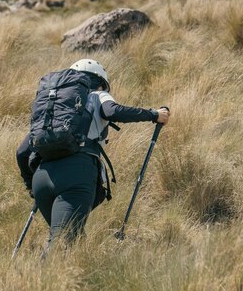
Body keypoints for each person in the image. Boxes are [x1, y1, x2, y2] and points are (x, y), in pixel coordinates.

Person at [16, 59, 170, 253]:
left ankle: (71, 281)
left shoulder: (54, 108)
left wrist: (32, 187)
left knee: (74, 241)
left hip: (42, 178)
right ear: (100, 82)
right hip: (76, 174)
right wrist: (154, 114)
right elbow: (112, 111)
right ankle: (36, 283)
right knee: (61, 246)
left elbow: (22, 152)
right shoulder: (97, 94)